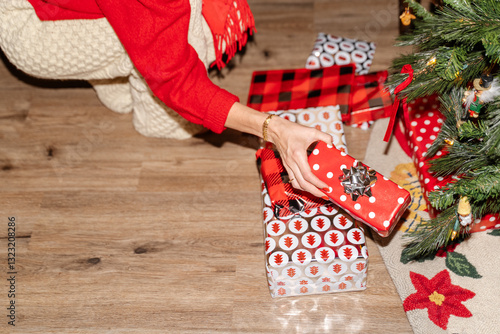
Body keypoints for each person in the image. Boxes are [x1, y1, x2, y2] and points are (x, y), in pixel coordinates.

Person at [19, 0, 334, 198]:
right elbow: (176, 79)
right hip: (27, 21)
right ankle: (154, 116)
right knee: (187, 21)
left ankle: (109, 74)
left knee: (142, 27)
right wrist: (274, 129)